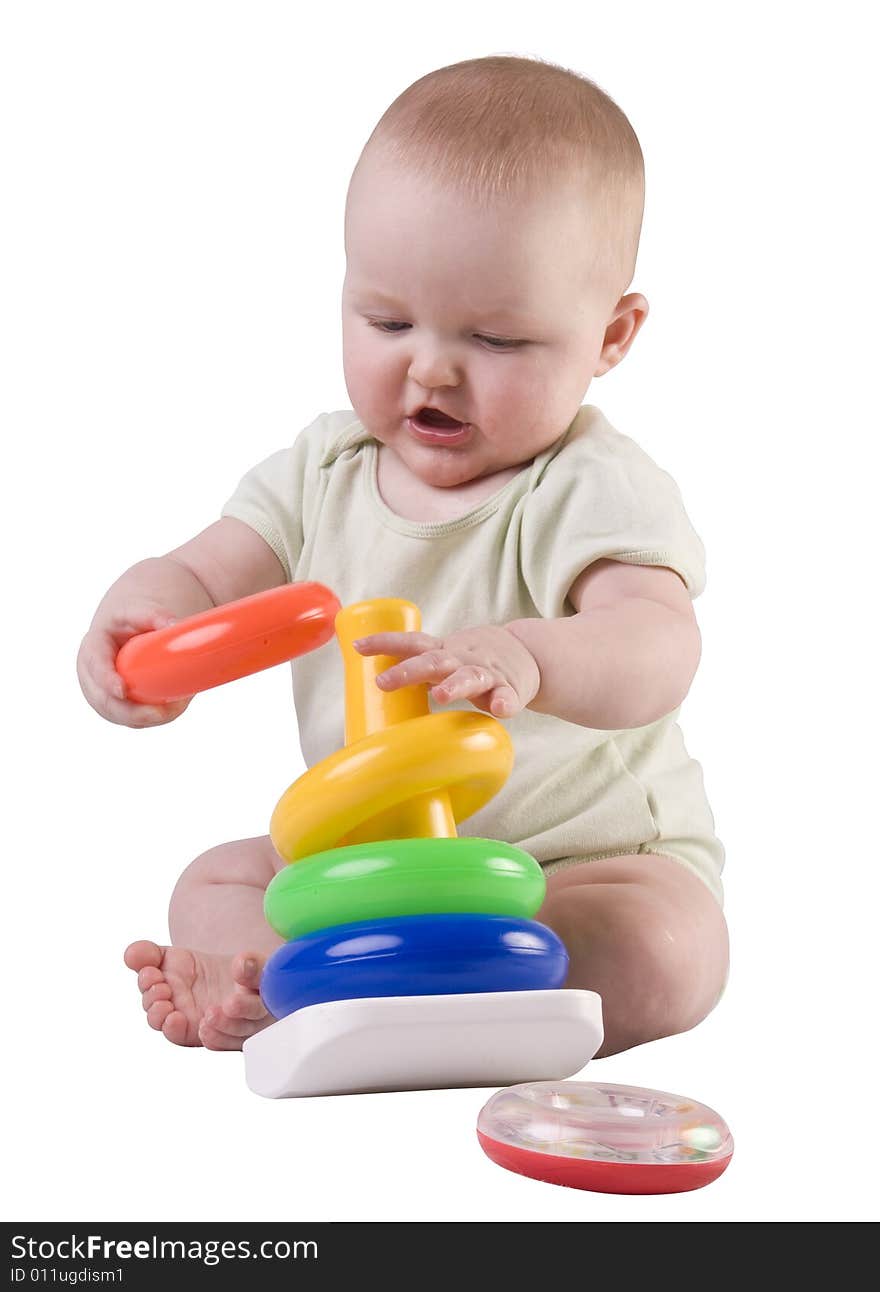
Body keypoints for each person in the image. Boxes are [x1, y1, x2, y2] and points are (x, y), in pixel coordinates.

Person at [77, 55, 728, 1059]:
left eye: (498, 339)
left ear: (610, 333)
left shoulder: (589, 484)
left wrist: (529, 656)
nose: (429, 365)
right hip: (373, 863)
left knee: (667, 947)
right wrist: (141, 621)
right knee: (212, 883)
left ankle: (389, 997)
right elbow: (204, 575)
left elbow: (657, 642)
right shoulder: (320, 471)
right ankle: (290, 982)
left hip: (572, 862)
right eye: (386, 321)